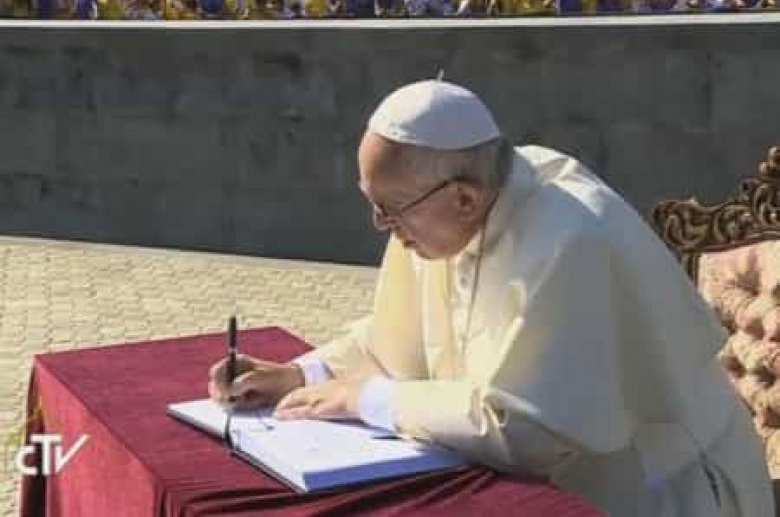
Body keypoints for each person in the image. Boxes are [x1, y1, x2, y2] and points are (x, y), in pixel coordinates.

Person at [208, 79, 774, 516]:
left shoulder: (572, 239)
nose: (381, 225)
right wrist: (301, 375)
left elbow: (529, 430)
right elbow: (393, 341)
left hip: (659, 492)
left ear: (464, 198)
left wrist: (364, 399)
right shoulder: (437, 210)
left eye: (390, 209)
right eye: (372, 203)